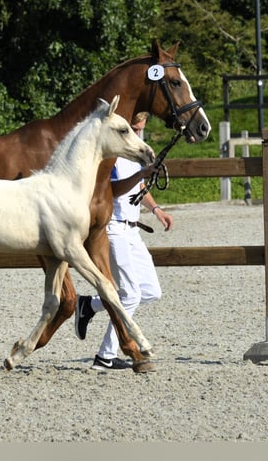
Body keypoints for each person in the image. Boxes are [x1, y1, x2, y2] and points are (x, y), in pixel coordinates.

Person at [74, 111, 173, 371]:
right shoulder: (112, 156)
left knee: (151, 291)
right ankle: (105, 356)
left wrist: (156, 209)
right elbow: (113, 190)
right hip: (113, 229)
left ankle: (90, 304)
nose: (138, 135)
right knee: (129, 294)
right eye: (135, 129)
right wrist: (141, 175)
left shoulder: (134, 154)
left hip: (133, 230)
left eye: (141, 130)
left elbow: (140, 188)